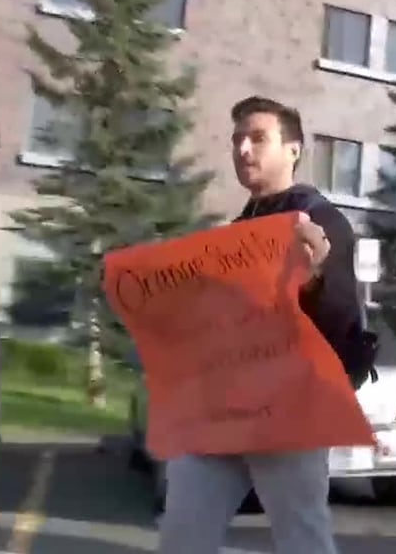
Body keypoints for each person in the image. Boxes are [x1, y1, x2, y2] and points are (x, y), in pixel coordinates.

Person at [158, 96, 376, 554]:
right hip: (221, 411)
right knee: (182, 535)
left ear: (293, 150)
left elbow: (339, 325)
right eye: (237, 139)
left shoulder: (321, 221)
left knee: (302, 539)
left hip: (287, 419)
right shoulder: (238, 231)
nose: (242, 150)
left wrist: (314, 278)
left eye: (257, 138)